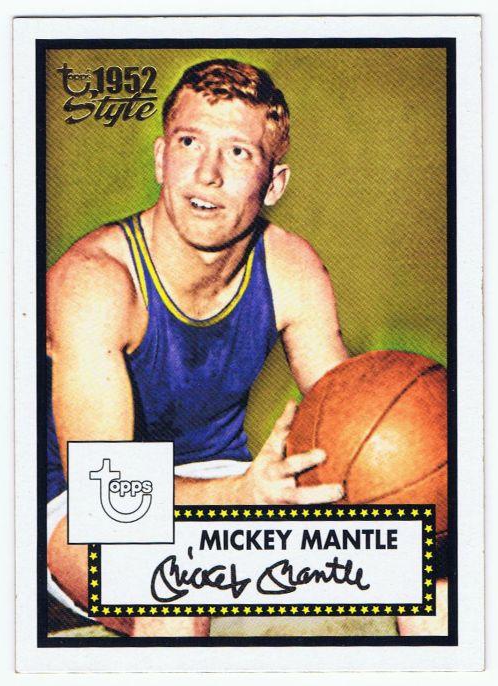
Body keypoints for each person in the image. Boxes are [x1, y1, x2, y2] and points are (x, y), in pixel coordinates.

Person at [46, 59, 446, 638]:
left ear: (274, 183)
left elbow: (351, 423)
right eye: (189, 143)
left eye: (237, 153)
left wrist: (421, 464)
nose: (206, 174)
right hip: (83, 510)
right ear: (161, 158)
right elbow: (104, 495)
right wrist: (243, 493)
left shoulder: (290, 266)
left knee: (426, 572)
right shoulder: (94, 281)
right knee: (178, 586)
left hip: (231, 484)